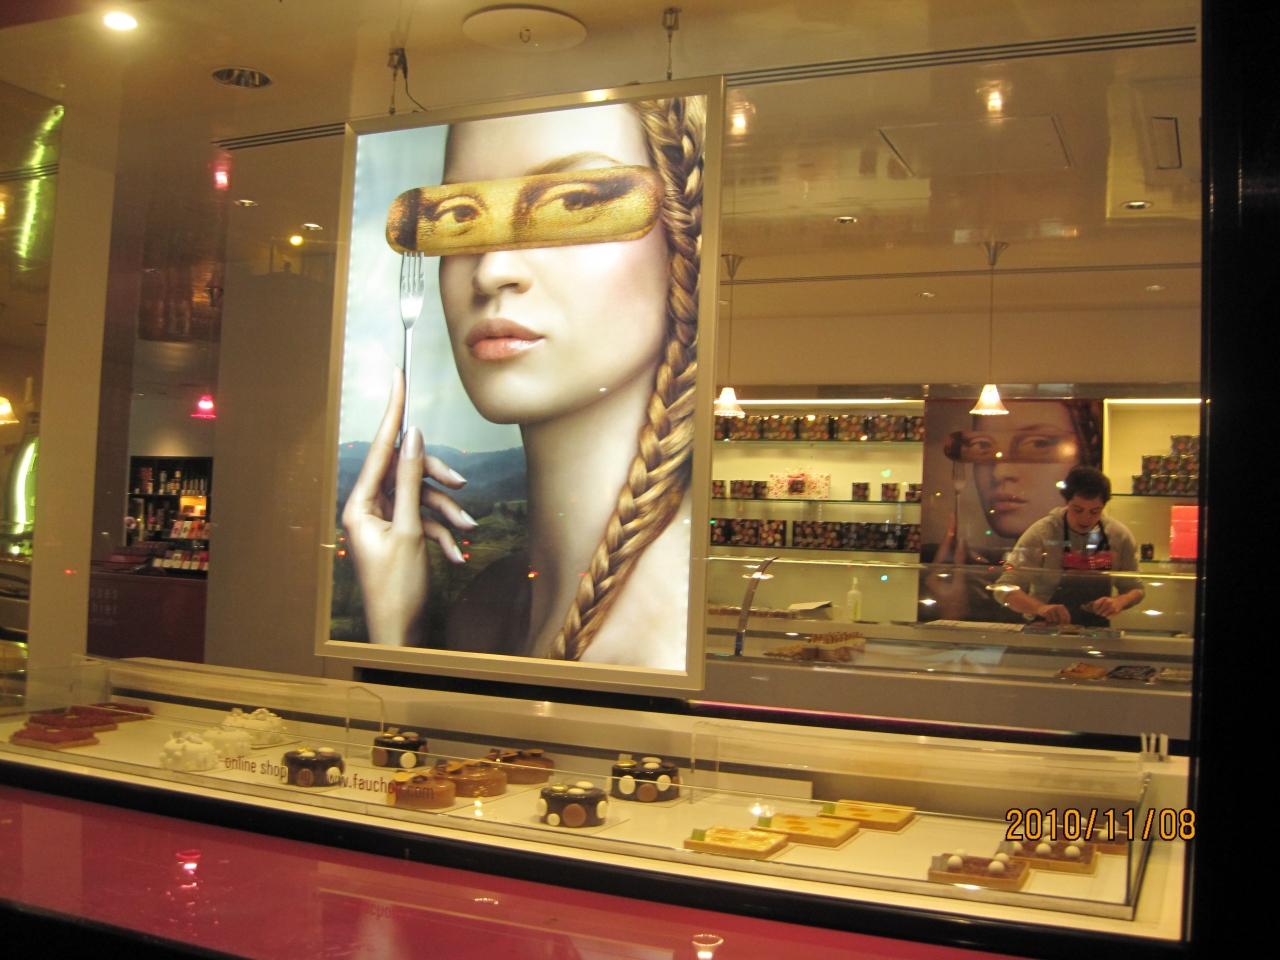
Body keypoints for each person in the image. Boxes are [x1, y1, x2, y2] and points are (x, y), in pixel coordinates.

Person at [342, 98, 704, 669]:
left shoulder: (667, 640)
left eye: (574, 204)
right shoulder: (486, 609)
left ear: (684, 237)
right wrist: (400, 630)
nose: (492, 270)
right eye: (460, 218)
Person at [923, 399, 1102, 621]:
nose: (1001, 472)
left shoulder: (1100, 545)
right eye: (983, 446)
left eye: (1038, 444)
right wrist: (951, 611)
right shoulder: (964, 567)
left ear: (1086, 454)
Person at [994, 466, 1144, 626]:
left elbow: (1136, 589)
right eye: (1077, 510)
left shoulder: (1119, 536)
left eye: (1095, 511)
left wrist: (1119, 601)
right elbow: (1003, 588)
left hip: (1096, 629)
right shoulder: (1042, 533)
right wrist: (1040, 608)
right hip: (1046, 626)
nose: (1085, 518)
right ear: (1066, 502)